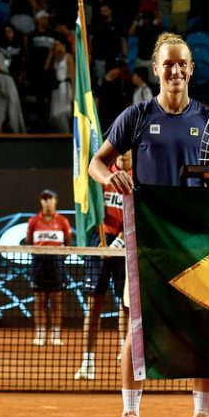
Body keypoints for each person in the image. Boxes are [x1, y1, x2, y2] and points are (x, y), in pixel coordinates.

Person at [89, 32, 209, 417]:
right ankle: (130, 416)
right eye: (168, 64)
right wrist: (110, 175)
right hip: (147, 242)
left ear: (192, 68)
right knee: (138, 330)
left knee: (201, 329)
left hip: (197, 244)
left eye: (182, 63)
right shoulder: (137, 116)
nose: (176, 70)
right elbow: (96, 162)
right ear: (156, 68)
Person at [75, 151, 132, 380]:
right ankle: (88, 361)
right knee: (94, 304)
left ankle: (124, 354)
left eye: (128, 148)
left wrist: (119, 242)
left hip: (125, 242)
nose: (123, 152)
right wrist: (103, 243)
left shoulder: (137, 177)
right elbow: (93, 208)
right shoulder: (103, 176)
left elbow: (136, 214)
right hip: (100, 241)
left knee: (125, 305)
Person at [26, 189, 72, 346]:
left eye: (50, 199)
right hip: (39, 263)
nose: (47, 202)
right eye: (44, 199)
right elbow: (28, 242)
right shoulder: (33, 221)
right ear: (41, 202)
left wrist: (58, 257)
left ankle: (55, 334)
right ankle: (40, 333)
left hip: (56, 263)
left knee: (56, 300)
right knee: (39, 300)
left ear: (55, 201)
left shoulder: (62, 221)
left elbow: (68, 243)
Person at [45, 37, 75, 133]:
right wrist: (50, 54)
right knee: (54, 113)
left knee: (63, 112)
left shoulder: (68, 56)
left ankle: (65, 132)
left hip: (65, 87)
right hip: (56, 88)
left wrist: (73, 92)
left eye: (57, 44)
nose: (55, 47)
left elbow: (72, 75)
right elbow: (46, 68)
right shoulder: (55, 57)